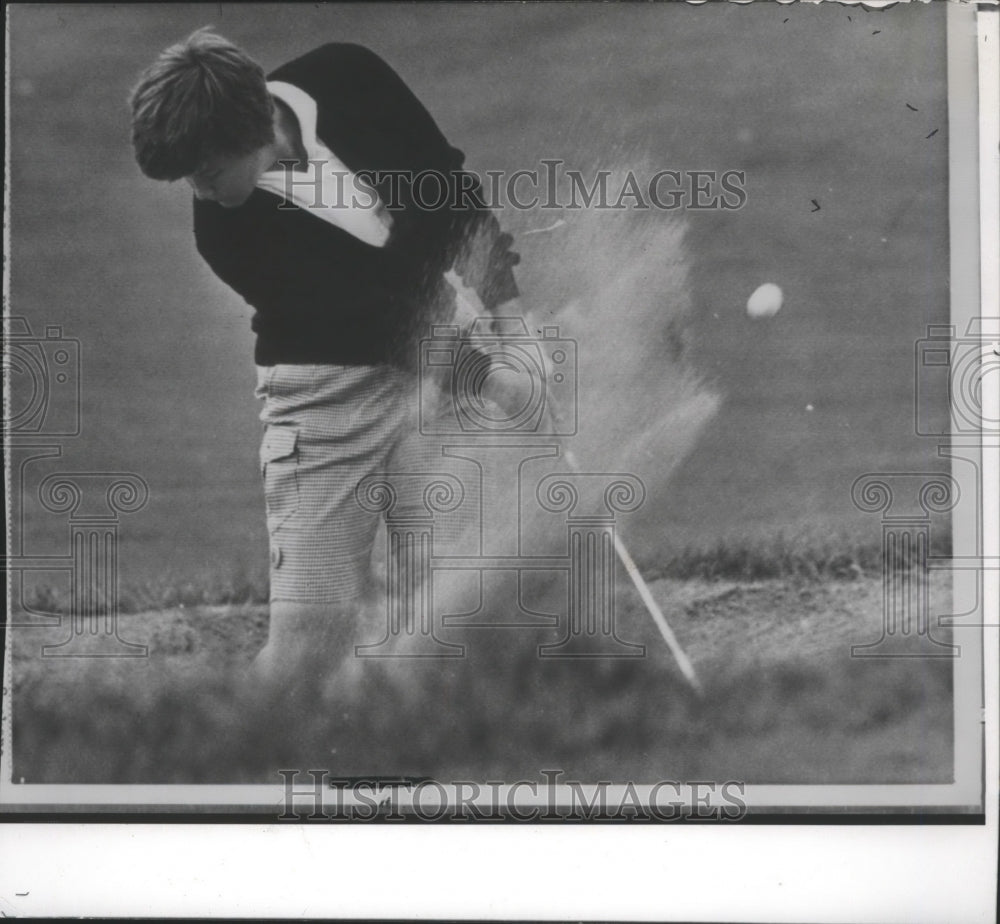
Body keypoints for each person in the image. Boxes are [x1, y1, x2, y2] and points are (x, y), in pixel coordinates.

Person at [128, 29, 523, 685]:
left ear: (244, 131)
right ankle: (235, 766)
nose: (197, 191)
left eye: (203, 170)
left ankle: (430, 756)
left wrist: (516, 326)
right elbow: (375, 321)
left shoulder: (347, 76)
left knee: (462, 610)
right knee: (311, 645)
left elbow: (447, 192)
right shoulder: (227, 232)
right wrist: (489, 378)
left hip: (433, 363)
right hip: (326, 398)